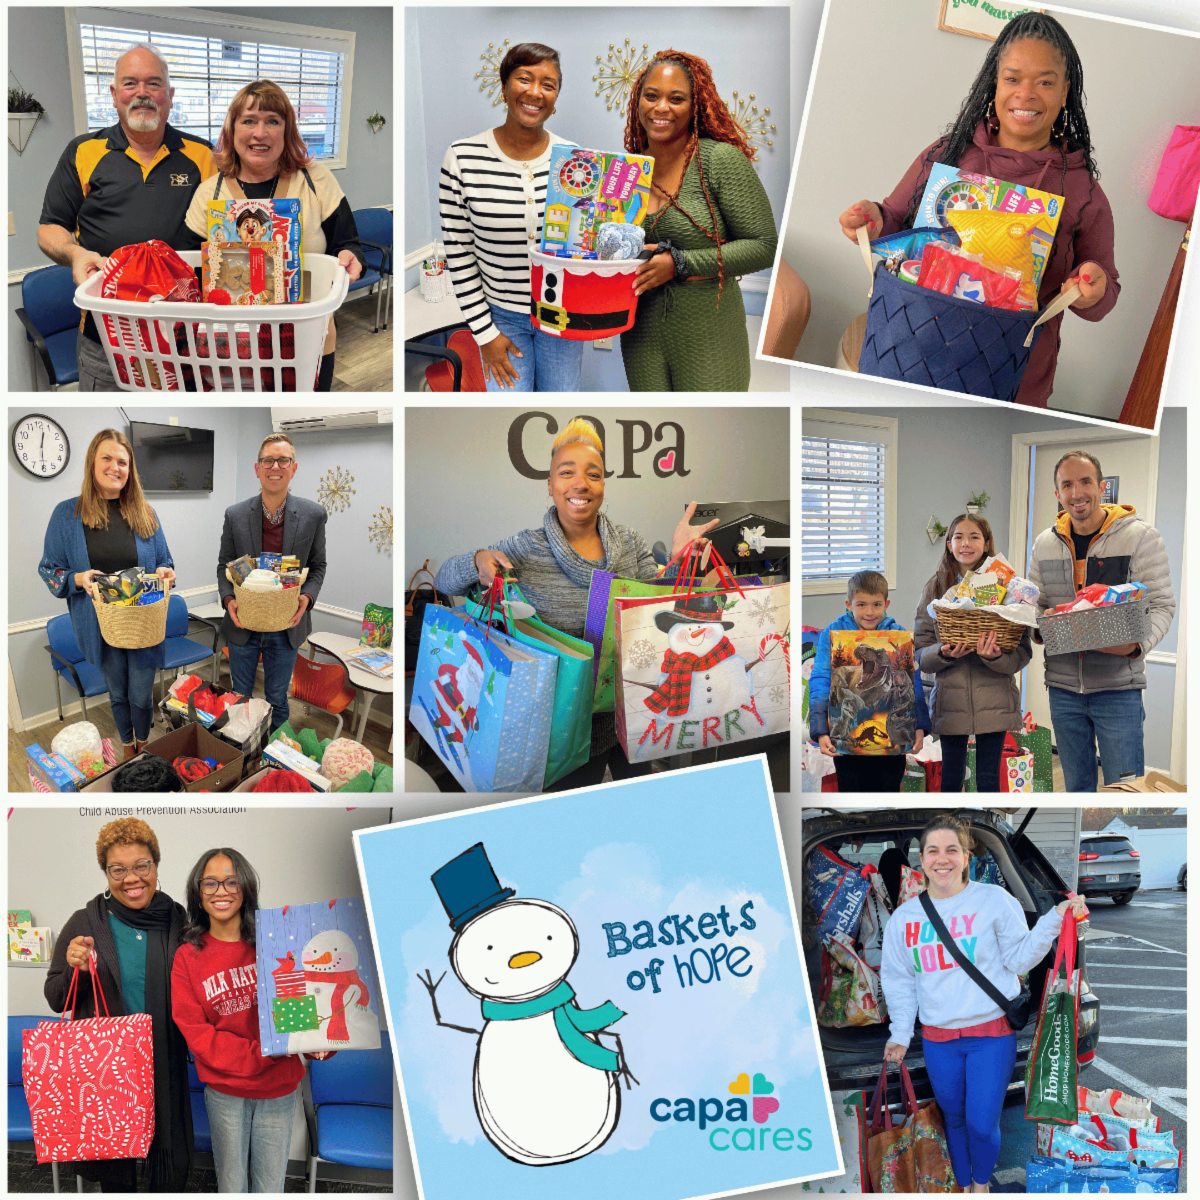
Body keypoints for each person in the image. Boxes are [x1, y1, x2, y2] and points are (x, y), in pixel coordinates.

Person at [838, 11, 1119, 408]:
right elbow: (893, 220)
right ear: (995, 82)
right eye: (1013, 79)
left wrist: (1093, 287)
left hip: (1010, 377)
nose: (1026, 94)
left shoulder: (1082, 191)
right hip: (912, 348)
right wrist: (870, 220)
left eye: (1045, 82)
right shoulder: (949, 152)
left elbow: (1104, 295)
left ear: (1065, 92)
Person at [432, 417, 719, 788]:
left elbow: (661, 610)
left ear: (603, 485)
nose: (580, 484)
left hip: (635, 713)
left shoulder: (629, 542)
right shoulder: (527, 548)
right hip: (563, 731)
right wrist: (477, 561)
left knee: (641, 809)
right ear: (550, 486)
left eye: (593, 474)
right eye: (566, 473)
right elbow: (442, 580)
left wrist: (679, 561)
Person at [880, 815, 1088, 1193]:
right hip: (938, 1040)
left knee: (981, 1122)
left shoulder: (993, 900)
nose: (942, 859)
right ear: (921, 859)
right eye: (933, 851)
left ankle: (981, 1186)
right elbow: (898, 980)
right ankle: (963, 1186)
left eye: (952, 850)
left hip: (990, 1036)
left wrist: (1053, 920)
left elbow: (1020, 960)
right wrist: (899, 1033)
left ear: (966, 855)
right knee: (954, 1121)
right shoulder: (904, 919)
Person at [37, 43, 216, 391]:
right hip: (104, 336)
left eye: (154, 83)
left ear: (170, 93)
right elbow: (50, 227)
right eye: (131, 83)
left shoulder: (204, 155)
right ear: (114, 93)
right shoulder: (82, 151)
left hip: (185, 335)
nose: (143, 94)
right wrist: (75, 253)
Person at [185, 79, 364, 392]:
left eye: (273, 121)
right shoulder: (207, 194)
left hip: (309, 339)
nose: (260, 133)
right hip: (230, 346)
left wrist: (351, 259)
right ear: (232, 129)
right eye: (249, 121)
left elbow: (348, 244)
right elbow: (189, 274)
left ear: (287, 129)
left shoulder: (315, 179)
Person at [171, 848, 330, 1192]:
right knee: (232, 1184)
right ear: (198, 893)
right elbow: (197, 1034)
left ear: (245, 889)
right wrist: (262, 1054)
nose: (221, 891)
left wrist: (318, 1043)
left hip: (279, 1087)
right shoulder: (188, 956)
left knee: (269, 1185)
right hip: (225, 1090)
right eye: (210, 883)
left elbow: (302, 1012)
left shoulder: (276, 943)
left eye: (231, 881)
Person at [46, 819, 193, 1191]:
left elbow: (196, 980)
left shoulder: (177, 919)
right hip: (108, 1071)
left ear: (156, 866)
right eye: (118, 869)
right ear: (106, 873)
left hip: (165, 1061)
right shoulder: (85, 922)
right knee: (116, 1167)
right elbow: (55, 998)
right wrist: (76, 969)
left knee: (168, 1165)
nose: (132, 878)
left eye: (141, 865)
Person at [621, 49, 778, 391]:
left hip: (709, 330)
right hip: (640, 331)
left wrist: (680, 263)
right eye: (651, 96)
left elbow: (765, 246)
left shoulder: (719, 160)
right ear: (638, 101)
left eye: (676, 99)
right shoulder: (626, 170)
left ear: (695, 106)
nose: (661, 107)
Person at [1027, 450, 1175, 790]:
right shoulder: (1045, 544)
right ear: (1058, 494)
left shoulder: (1139, 537)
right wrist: (1040, 625)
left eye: (1085, 482)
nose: (1077, 493)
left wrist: (1137, 647)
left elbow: (1162, 605)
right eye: (1067, 485)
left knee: (1125, 787)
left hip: (1118, 690)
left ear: (1101, 487)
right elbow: (1032, 604)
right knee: (1076, 788)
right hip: (1063, 690)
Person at [440, 43, 583, 391]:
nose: (535, 92)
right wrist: (485, 334)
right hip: (501, 319)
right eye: (524, 79)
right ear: (504, 87)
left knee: (559, 409)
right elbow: (459, 256)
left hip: (563, 316)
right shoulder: (462, 158)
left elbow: (582, 244)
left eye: (548, 85)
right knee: (511, 418)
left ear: (556, 97)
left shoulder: (574, 161)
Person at [39, 429, 177, 759]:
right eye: (107, 458)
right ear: (92, 463)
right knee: (117, 694)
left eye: (122, 462)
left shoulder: (146, 513)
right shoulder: (66, 515)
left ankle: (144, 741)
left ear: (130, 470)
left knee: (142, 695)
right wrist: (78, 578)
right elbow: (50, 569)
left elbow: (165, 561)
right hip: (102, 627)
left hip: (143, 626)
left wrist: (166, 572)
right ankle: (127, 746)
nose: (115, 467)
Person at [217, 432, 327, 734]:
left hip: (287, 626)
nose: (275, 466)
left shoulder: (313, 514)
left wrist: (308, 598)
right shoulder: (236, 515)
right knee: (241, 697)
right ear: (257, 468)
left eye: (283, 460)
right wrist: (229, 601)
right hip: (243, 625)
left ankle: (273, 759)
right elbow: (223, 566)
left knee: (278, 699)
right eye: (268, 460)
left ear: (293, 467)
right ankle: (243, 754)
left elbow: (318, 566)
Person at [913, 515, 1032, 792]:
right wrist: (943, 653)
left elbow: (1022, 652)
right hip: (951, 701)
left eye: (974, 536)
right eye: (958, 537)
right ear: (948, 543)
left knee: (989, 782)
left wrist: (995, 657)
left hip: (996, 701)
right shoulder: (934, 588)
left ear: (987, 543)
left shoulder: (1010, 588)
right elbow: (919, 652)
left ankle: (983, 834)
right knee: (950, 781)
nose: (965, 543)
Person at [809, 570, 930, 792]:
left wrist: (920, 726)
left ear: (887, 604)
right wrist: (820, 730)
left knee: (888, 796)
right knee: (852, 797)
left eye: (876, 604)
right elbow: (820, 680)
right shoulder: (832, 633)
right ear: (849, 604)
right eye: (861, 604)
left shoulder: (898, 634)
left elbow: (914, 685)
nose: (869, 612)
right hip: (847, 741)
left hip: (890, 745)